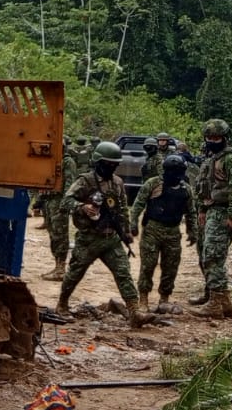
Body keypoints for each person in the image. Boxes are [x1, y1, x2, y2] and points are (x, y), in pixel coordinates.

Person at [59, 140, 149, 327]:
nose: (111, 167)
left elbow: (122, 209)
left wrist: (126, 231)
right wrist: (82, 207)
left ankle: (134, 312)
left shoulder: (117, 182)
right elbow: (65, 202)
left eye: (115, 164)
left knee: (123, 273)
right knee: (75, 273)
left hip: (111, 239)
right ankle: (62, 304)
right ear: (98, 162)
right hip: (89, 238)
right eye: (108, 164)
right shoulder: (85, 181)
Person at [191, 119, 232, 318]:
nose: (212, 141)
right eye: (209, 138)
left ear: (224, 138)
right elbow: (204, 186)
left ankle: (216, 303)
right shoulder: (211, 158)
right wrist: (202, 209)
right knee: (204, 253)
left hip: (223, 212)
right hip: (210, 210)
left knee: (213, 256)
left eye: (216, 138)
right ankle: (220, 299)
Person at [129, 154, 197, 308]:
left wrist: (193, 231)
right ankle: (143, 298)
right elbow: (138, 204)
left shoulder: (185, 189)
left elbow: (191, 212)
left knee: (170, 267)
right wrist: (133, 224)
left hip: (173, 232)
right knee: (148, 265)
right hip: (152, 230)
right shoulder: (153, 184)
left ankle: (164, 298)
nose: (175, 175)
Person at [44, 135, 77, 282]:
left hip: (59, 201)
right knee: (53, 234)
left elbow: (69, 184)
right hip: (50, 201)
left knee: (60, 235)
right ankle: (57, 265)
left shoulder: (68, 162)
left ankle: (61, 268)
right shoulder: (53, 160)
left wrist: (65, 203)